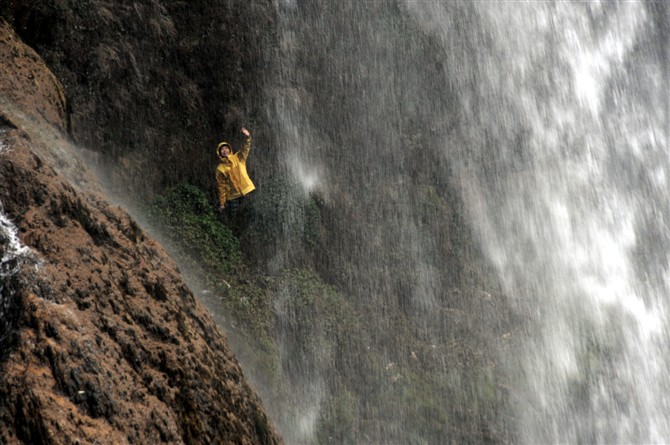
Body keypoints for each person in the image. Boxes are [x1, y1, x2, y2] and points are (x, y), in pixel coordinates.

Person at [215, 127, 256, 222]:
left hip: (247, 190)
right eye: (222, 149)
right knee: (234, 218)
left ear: (229, 149)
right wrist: (222, 203)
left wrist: (248, 137)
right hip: (232, 196)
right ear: (219, 153)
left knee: (250, 215)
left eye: (226, 148)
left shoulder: (238, 157)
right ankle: (231, 233)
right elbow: (221, 186)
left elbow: (245, 149)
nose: (224, 150)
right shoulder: (220, 168)